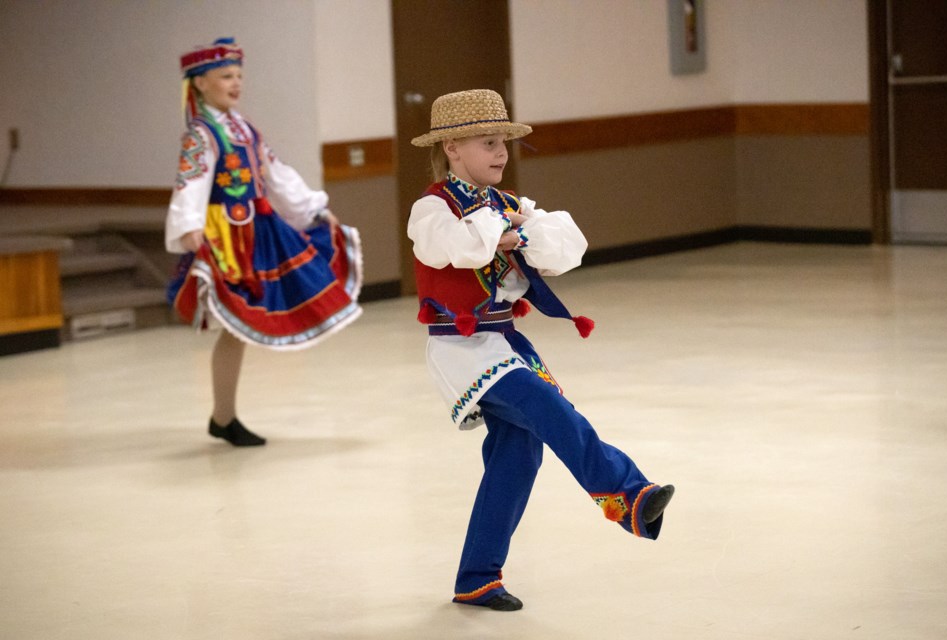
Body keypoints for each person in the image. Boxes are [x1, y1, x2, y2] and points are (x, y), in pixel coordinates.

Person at [407, 89, 674, 611]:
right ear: (453, 148)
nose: (501, 152)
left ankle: (477, 578)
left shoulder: (507, 206)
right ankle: (629, 496)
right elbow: (461, 247)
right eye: (488, 142)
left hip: (508, 342)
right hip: (464, 348)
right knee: (552, 412)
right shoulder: (432, 208)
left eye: (504, 141)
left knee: (519, 456)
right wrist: (508, 231)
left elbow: (562, 249)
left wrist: (515, 228)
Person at [165, 38, 362, 447]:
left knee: (238, 328)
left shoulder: (244, 127)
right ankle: (224, 416)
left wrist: (312, 209)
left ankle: (224, 416)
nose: (236, 83)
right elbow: (192, 181)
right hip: (228, 239)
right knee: (236, 325)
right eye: (225, 76)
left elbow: (276, 173)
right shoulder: (202, 134)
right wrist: (189, 227)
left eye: (239, 75)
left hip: (259, 231)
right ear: (200, 84)